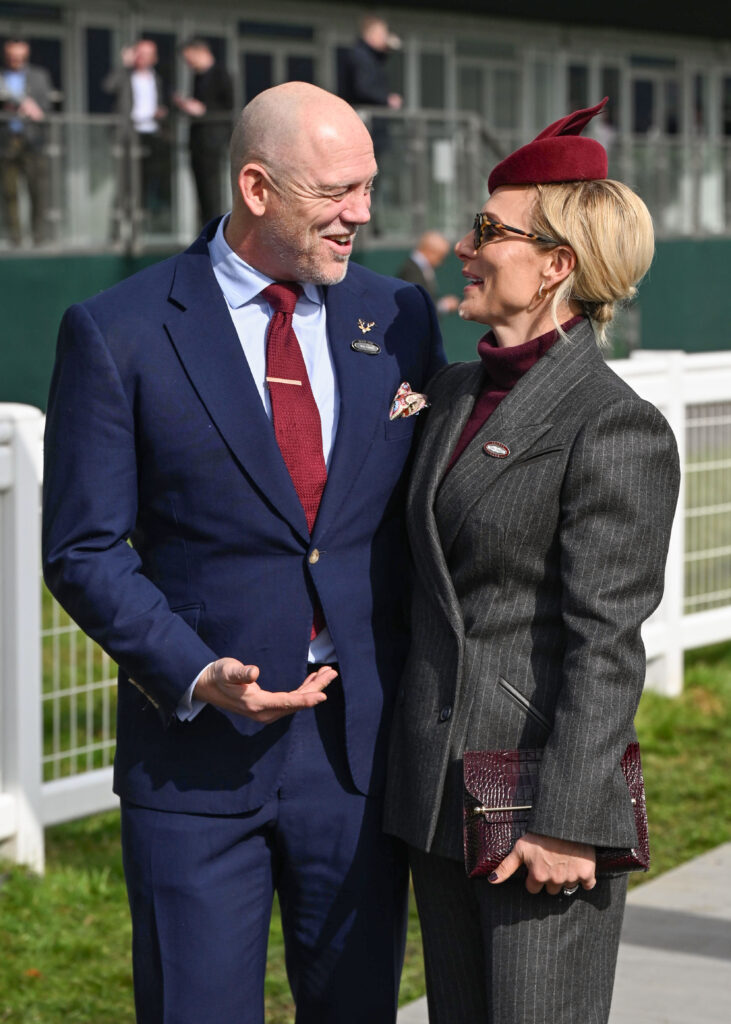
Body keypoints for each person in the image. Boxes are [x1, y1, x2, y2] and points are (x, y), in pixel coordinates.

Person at [42, 81, 446, 1024]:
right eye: (335, 193)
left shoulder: (398, 318)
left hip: (356, 757)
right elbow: (84, 547)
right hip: (194, 759)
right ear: (257, 188)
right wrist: (193, 672)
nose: (362, 215)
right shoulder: (118, 332)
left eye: (368, 187)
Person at [384, 98, 681, 1023]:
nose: (464, 249)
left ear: (555, 265)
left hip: (534, 809)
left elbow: (606, 645)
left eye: (487, 230)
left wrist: (569, 818)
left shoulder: (613, 423)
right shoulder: (450, 391)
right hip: (435, 795)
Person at [103, 38, 169, 234]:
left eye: (146, 54)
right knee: (125, 184)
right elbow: (108, 86)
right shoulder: (126, 75)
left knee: (146, 183)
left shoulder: (155, 78)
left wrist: (159, 113)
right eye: (138, 53)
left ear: (153, 58)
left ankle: (141, 228)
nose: (141, 57)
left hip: (150, 133)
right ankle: (117, 231)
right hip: (129, 134)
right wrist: (124, 66)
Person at [173, 38, 234, 225]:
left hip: (213, 141)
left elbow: (229, 108)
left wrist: (203, 110)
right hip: (198, 141)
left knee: (212, 188)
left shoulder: (221, 74)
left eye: (189, 58)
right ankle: (205, 227)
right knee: (200, 189)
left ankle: (216, 227)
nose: (188, 64)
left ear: (200, 52)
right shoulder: (197, 76)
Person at [0, 37, 52, 246]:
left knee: (36, 191)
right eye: (12, 57)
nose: (16, 61)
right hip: (7, 141)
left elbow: (47, 109)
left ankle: (38, 236)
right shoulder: (1, 76)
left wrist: (35, 110)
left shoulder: (39, 77)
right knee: (9, 191)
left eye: (20, 57)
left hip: (32, 141)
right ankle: (15, 238)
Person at [339, 15, 402, 111]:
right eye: (381, 34)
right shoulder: (360, 56)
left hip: (370, 115)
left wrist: (387, 49)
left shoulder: (372, 56)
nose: (385, 38)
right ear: (369, 34)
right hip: (364, 116)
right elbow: (363, 89)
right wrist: (386, 99)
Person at [397, 230, 460, 315]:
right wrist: (444, 305)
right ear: (431, 251)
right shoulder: (411, 270)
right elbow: (416, 305)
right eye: (441, 257)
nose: (441, 262)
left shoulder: (417, 268)